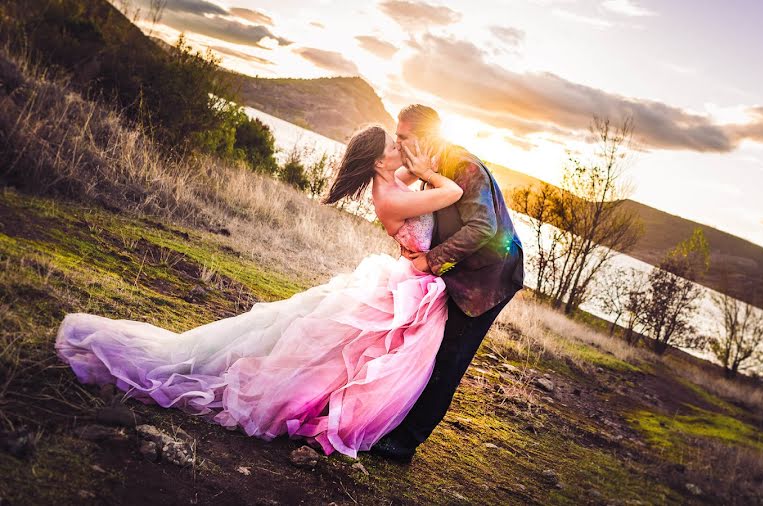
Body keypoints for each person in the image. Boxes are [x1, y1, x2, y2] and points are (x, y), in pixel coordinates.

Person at [55, 124, 463, 459]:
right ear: (378, 161)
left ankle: (318, 402)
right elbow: (453, 193)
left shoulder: (392, 182)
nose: (402, 148)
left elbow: (413, 179)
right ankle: (298, 404)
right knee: (337, 348)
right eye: (395, 145)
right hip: (406, 281)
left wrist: (420, 161)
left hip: (409, 280)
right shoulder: (390, 195)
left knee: (340, 350)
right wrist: (428, 171)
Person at [370, 104, 524, 462]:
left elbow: (483, 228)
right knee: (425, 349)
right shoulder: (433, 165)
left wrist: (430, 259)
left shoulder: (464, 167)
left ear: (425, 138)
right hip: (460, 271)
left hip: (489, 278)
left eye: (403, 137)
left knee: (449, 359)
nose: (397, 142)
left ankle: (405, 443)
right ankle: (394, 421)